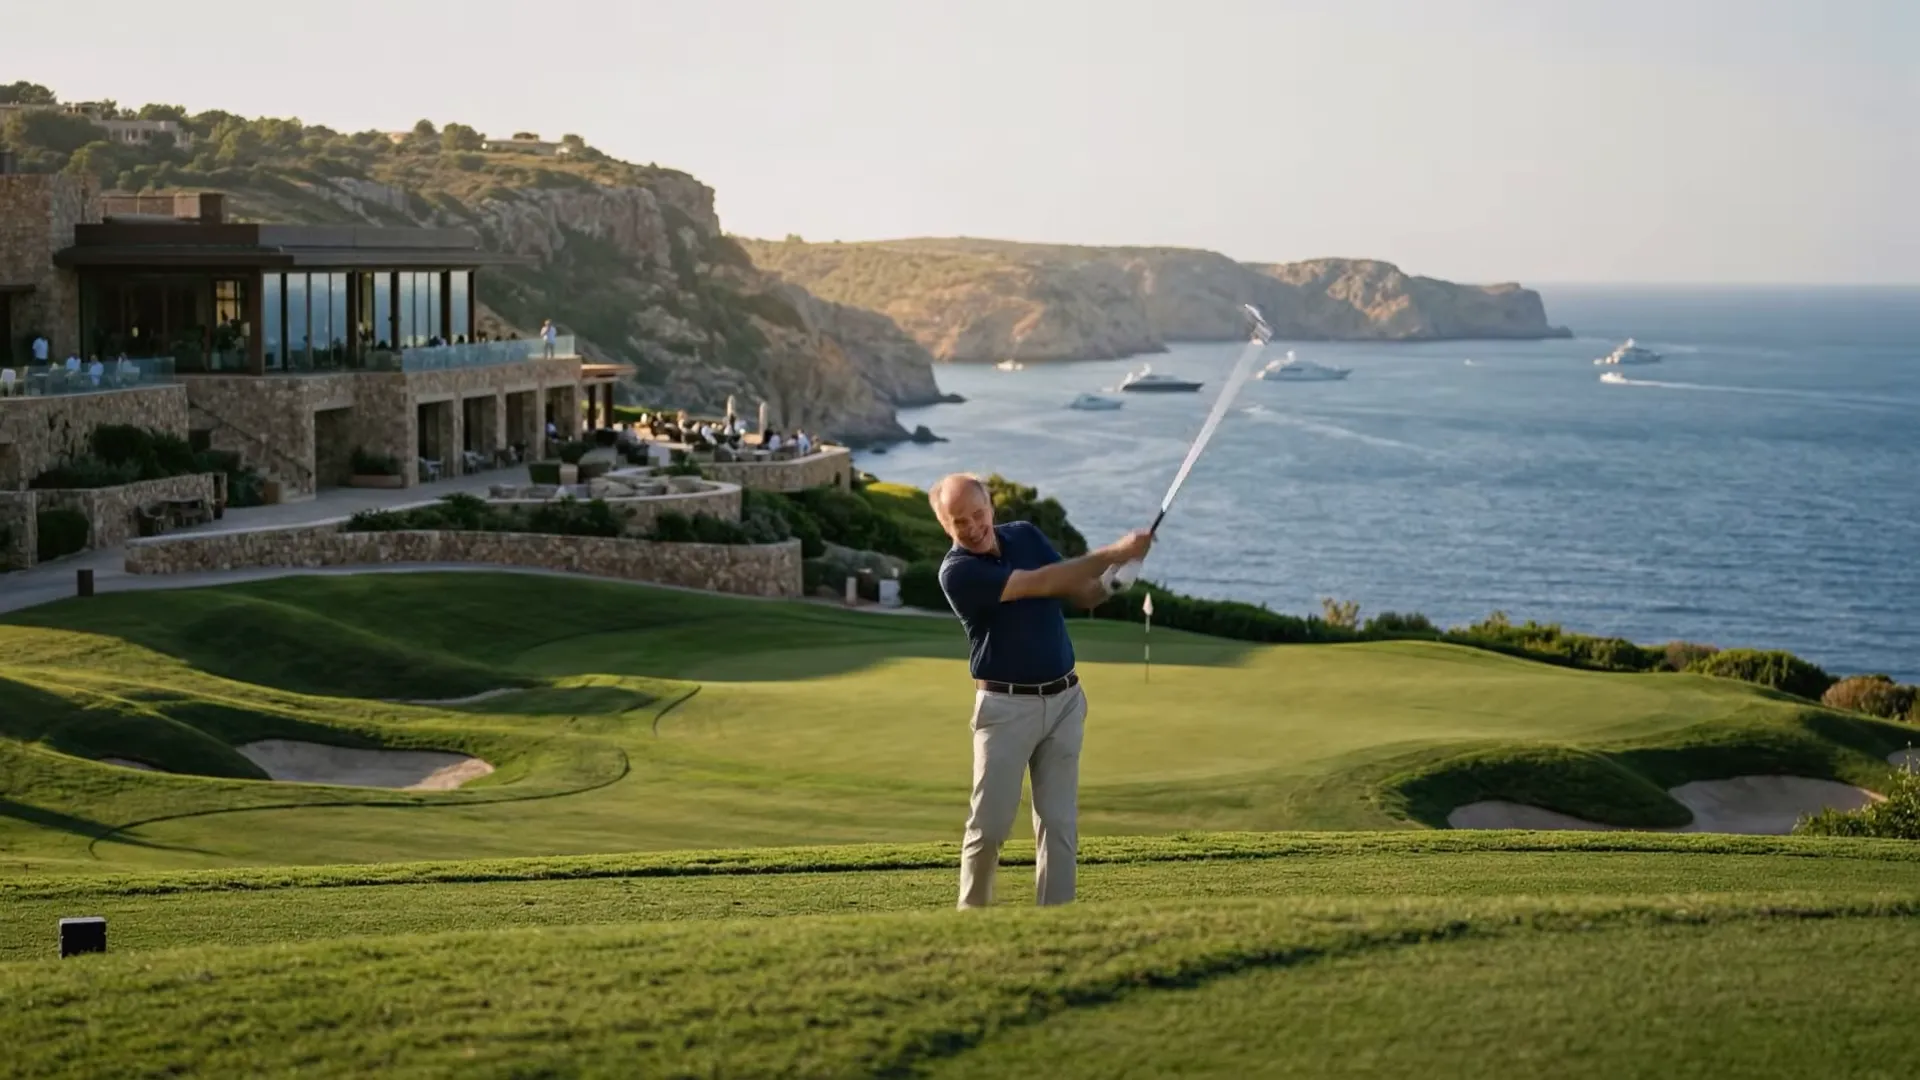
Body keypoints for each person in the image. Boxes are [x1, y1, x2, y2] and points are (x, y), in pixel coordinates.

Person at [928, 473, 1152, 909]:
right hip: (1006, 709)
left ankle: (1057, 923)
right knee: (989, 828)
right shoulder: (958, 573)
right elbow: (1042, 582)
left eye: (978, 514)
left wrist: (1121, 574)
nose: (973, 526)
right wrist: (1116, 550)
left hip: (1066, 700)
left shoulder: (1025, 535)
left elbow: (1083, 593)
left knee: (1059, 824)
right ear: (945, 527)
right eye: (959, 522)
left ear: (991, 506)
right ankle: (970, 918)